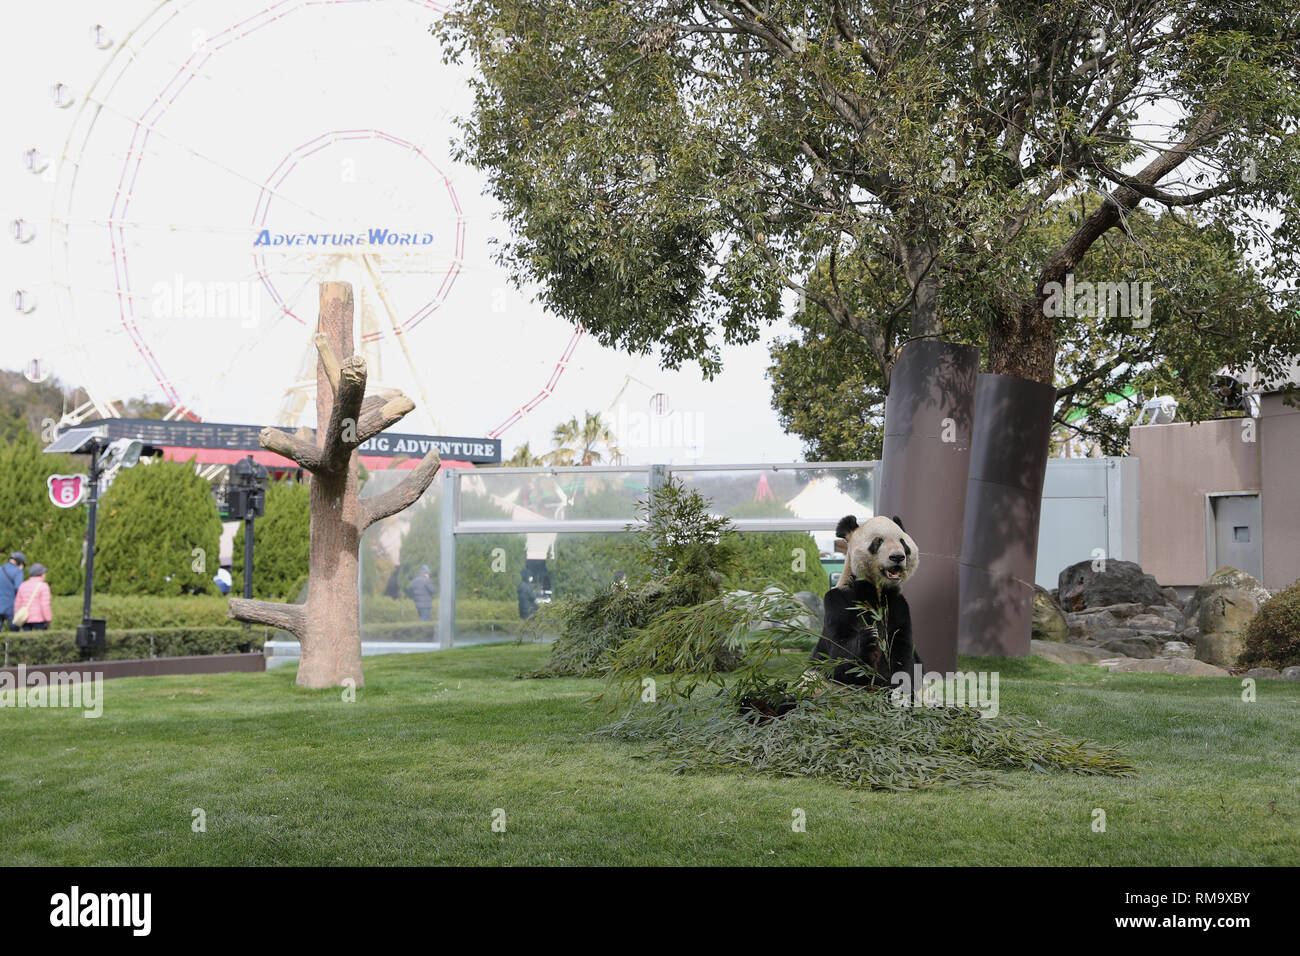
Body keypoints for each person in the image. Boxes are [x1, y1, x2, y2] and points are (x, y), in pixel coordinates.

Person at [13, 562, 52, 631]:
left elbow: (17, 603)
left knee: (27, 639)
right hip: (39, 619)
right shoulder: (44, 586)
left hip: (25, 618)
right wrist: (48, 619)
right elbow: (45, 605)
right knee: (41, 639)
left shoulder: (23, 585)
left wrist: (17, 614)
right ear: (41, 574)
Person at [0, 552, 25, 631]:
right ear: (18, 562)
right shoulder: (18, 572)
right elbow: (18, 588)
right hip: (11, 606)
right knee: (14, 633)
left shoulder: (0, 569)